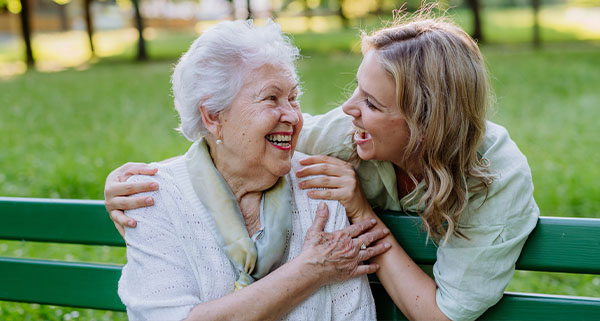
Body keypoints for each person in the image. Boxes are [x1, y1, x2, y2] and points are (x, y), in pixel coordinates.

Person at [106, 12, 539, 321]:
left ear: (424, 124)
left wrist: (360, 213)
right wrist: (130, 187)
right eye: (357, 91)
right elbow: (236, 140)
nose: (348, 109)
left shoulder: (495, 179)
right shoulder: (341, 136)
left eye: (371, 103)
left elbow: (438, 315)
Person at [115, 20, 391, 321]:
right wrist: (310, 270)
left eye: (293, 98)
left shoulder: (320, 186)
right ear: (213, 116)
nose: (293, 116)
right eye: (271, 98)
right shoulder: (152, 197)